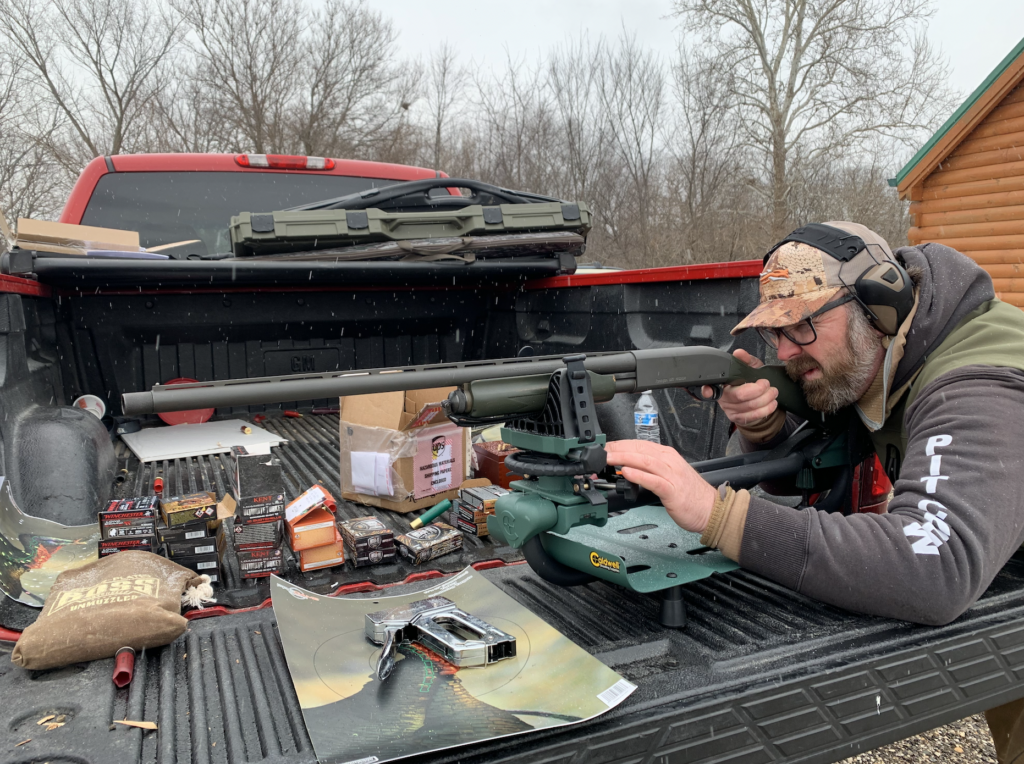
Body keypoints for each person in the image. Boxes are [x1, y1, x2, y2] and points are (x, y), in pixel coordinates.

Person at [604, 221, 1024, 763]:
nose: (787, 351)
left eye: (802, 326)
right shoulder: (891, 353)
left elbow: (935, 566)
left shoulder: (979, 385)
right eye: (775, 333)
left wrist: (718, 514)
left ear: (881, 304)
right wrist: (764, 429)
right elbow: (819, 469)